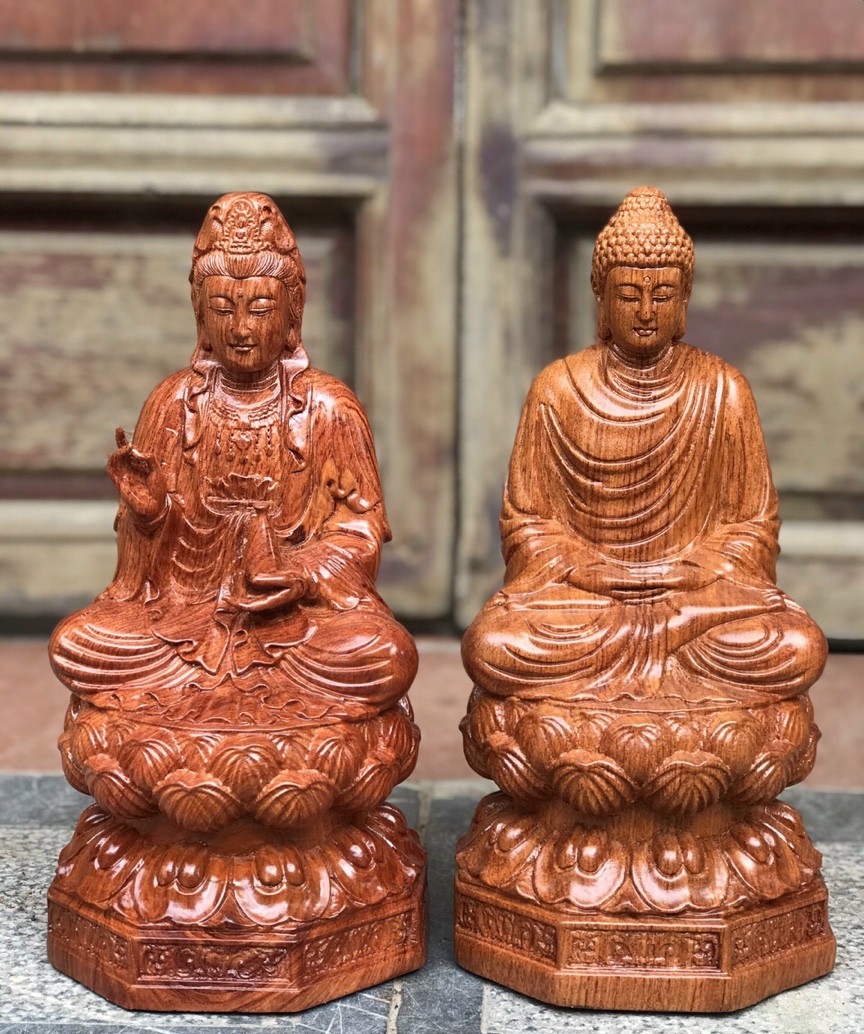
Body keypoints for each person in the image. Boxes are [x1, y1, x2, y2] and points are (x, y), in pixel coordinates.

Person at [50, 193, 416, 724]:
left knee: (385, 655)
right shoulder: (173, 402)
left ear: (292, 313)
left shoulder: (329, 407)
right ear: (200, 314)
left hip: (296, 625)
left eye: (260, 309)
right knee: (77, 644)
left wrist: (301, 574)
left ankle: (188, 725)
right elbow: (142, 579)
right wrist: (149, 514)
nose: (242, 329)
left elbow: (358, 531)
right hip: (184, 614)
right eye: (223, 309)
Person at [462, 187, 826, 706]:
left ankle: (638, 680)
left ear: (684, 300)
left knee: (798, 645)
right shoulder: (558, 388)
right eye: (630, 295)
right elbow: (527, 524)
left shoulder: (723, 389)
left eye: (663, 295)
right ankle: (669, 689)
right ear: (602, 299)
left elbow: (753, 526)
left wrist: (696, 571)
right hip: (588, 603)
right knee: (492, 646)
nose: (647, 312)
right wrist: (584, 569)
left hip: (694, 603)